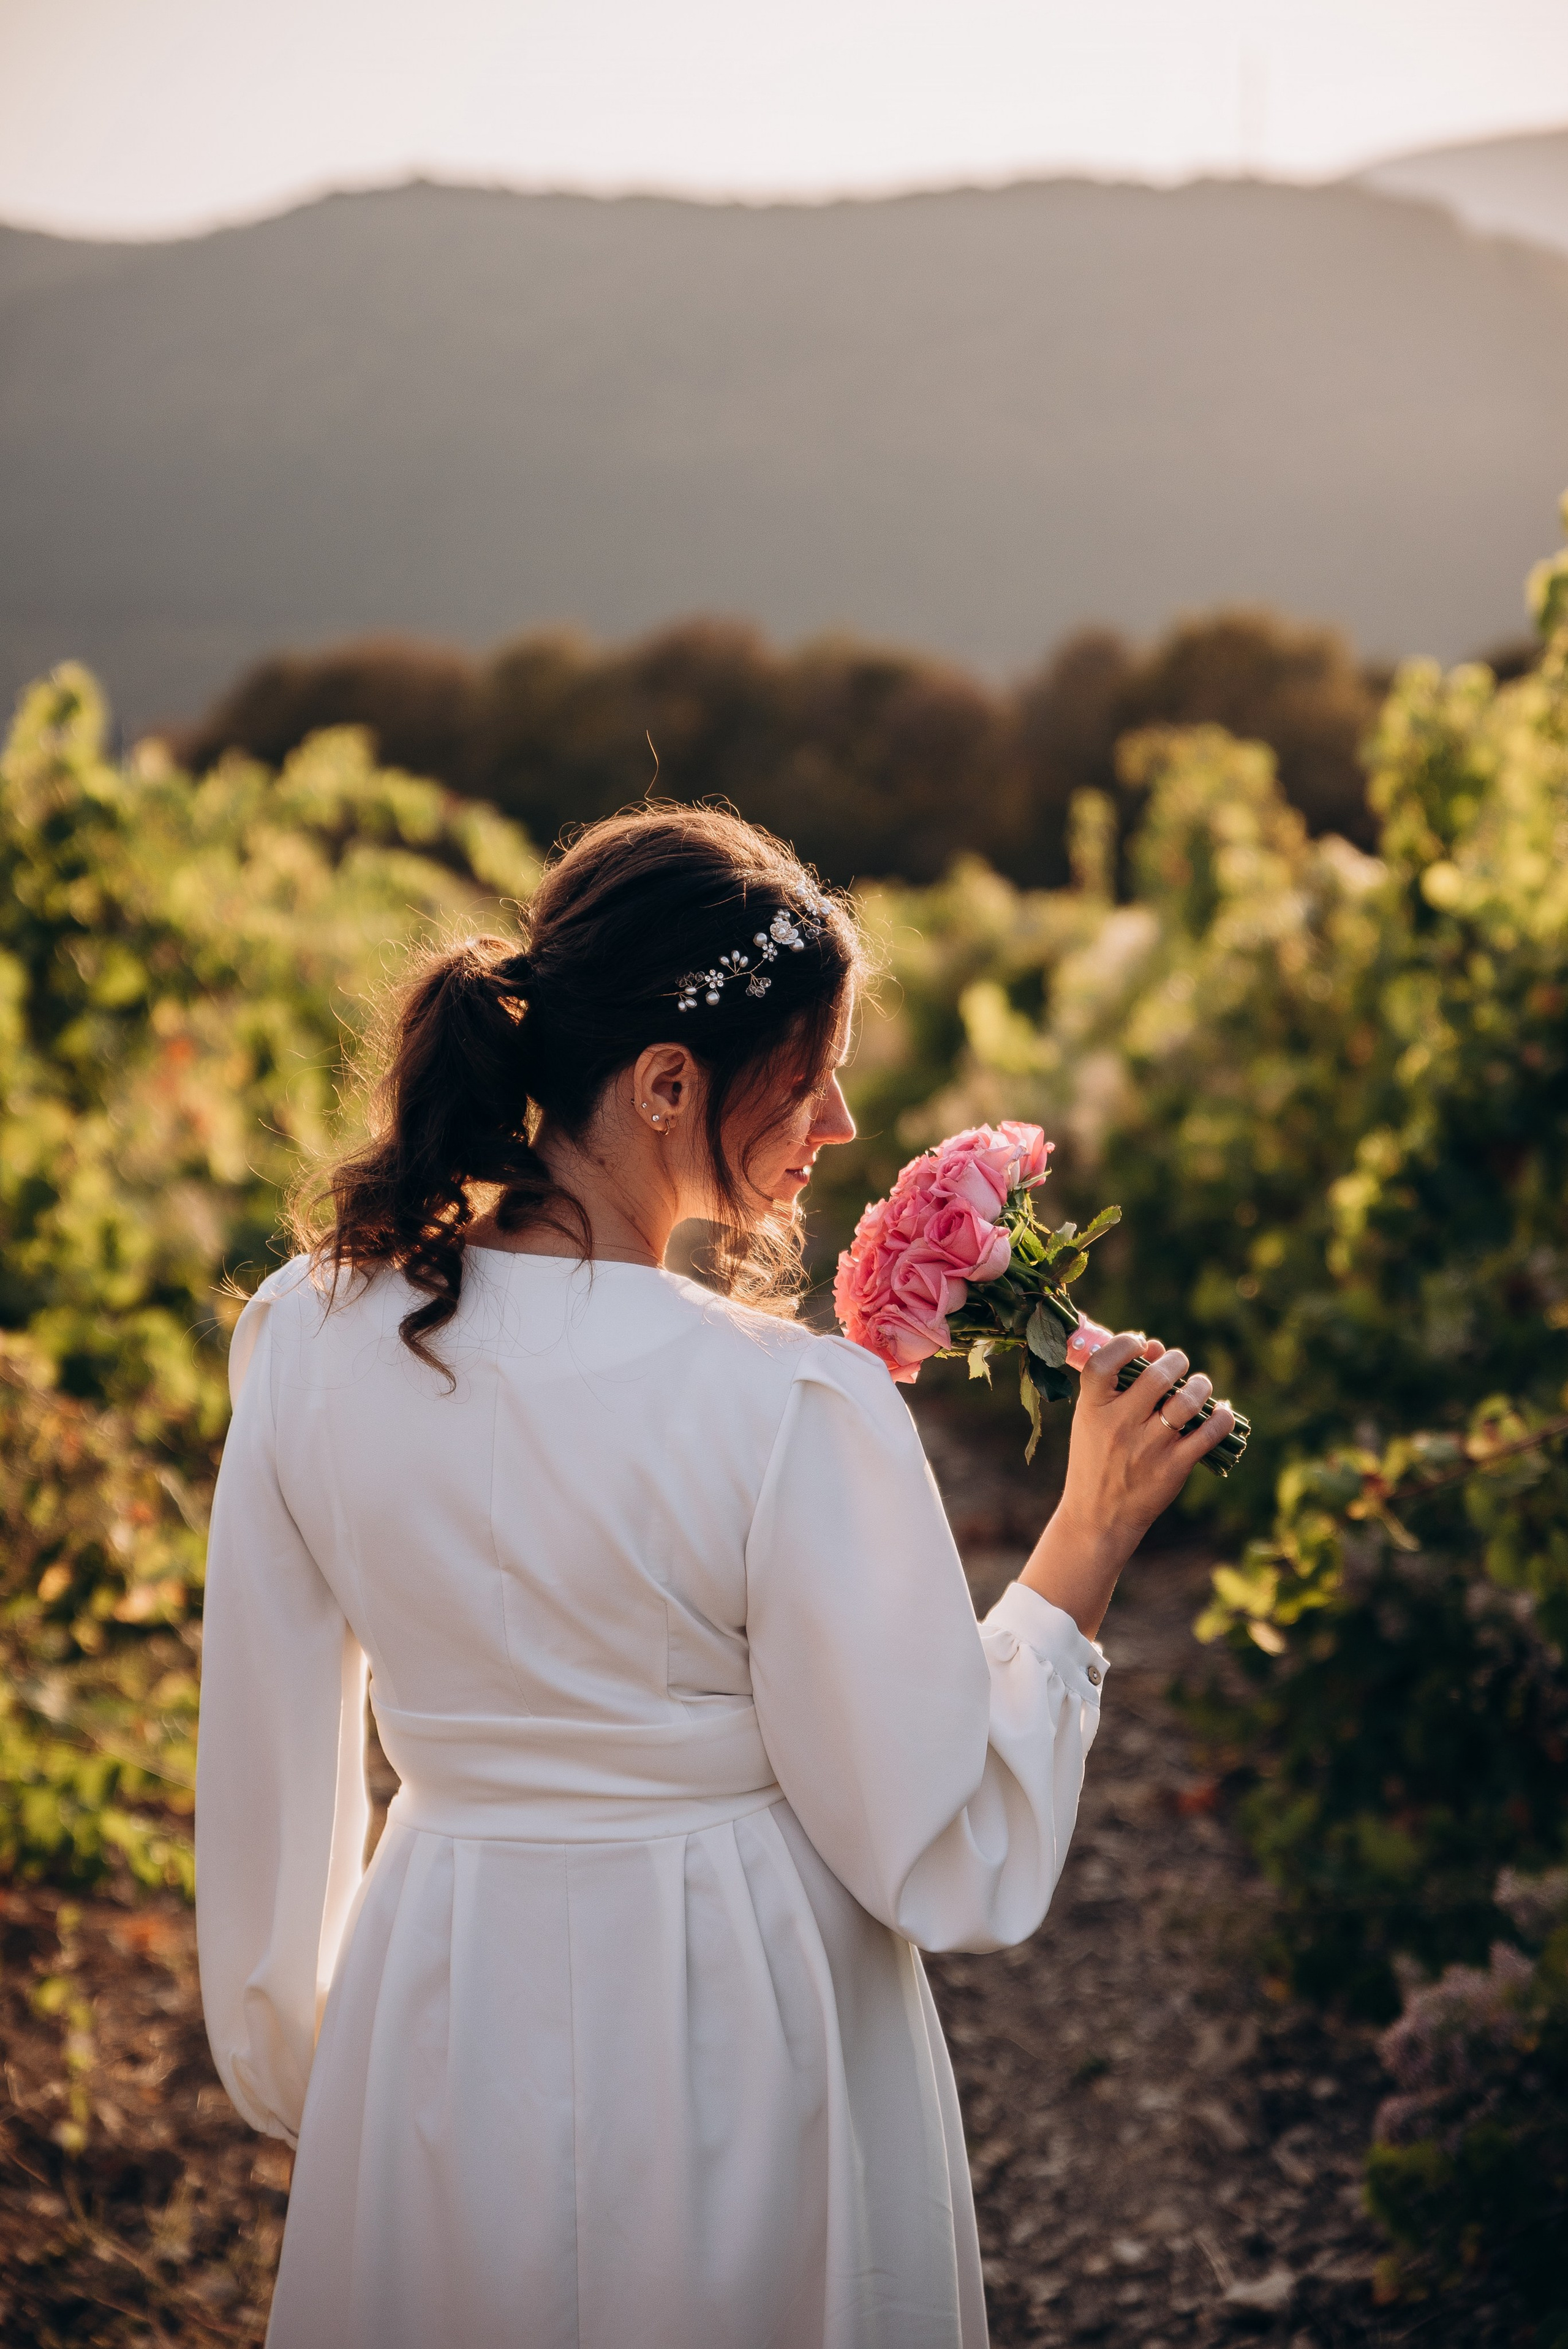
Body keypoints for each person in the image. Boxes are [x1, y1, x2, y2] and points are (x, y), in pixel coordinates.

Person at [195, 805, 1235, 2349]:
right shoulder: (782, 1405)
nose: (837, 1123)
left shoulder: (303, 1335)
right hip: (731, 2016)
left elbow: (266, 1768)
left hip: (440, 1988)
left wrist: (326, 2077)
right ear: (666, 1082)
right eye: (808, 1072)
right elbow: (937, 1848)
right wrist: (1086, 1531)